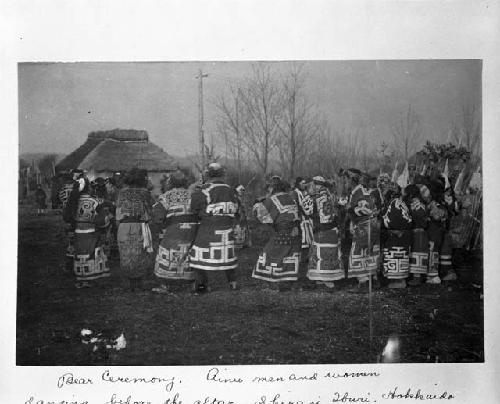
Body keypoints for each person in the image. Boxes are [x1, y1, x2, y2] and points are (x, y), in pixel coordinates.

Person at [189, 163, 238, 292]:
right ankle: (233, 283)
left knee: (196, 256)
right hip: (227, 230)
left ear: (206, 175)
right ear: (222, 174)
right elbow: (236, 209)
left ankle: (202, 285)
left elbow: (194, 208)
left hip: (208, 230)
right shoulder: (231, 190)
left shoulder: (203, 191)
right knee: (227, 256)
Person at [152, 171, 199, 293]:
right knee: (189, 252)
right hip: (193, 229)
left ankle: (165, 284)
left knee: (167, 251)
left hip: (174, 228)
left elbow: (158, 216)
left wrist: (163, 227)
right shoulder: (193, 195)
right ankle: (192, 283)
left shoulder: (166, 196)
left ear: (170, 183)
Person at [252, 177, 301, 289]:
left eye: (269, 188)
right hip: (295, 231)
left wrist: (257, 204)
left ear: (273, 188)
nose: (268, 190)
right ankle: (288, 280)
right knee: (288, 256)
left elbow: (262, 217)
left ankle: (274, 282)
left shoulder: (271, 200)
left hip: (281, 233)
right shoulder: (290, 197)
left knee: (268, 255)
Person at [115, 168, 155, 291]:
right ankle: (139, 282)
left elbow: (118, 211)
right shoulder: (145, 193)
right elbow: (150, 211)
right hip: (140, 225)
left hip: (124, 226)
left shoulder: (122, 192)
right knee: (140, 253)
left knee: (126, 253)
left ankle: (129, 282)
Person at [66, 177, 110, 288]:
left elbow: (66, 217)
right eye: (90, 186)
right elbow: (103, 220)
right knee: (90, 254)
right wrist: (102, 226)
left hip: (77, 232)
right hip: (91, 233)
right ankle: (89, 279)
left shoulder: (73, 201)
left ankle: (80, 278)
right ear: (88, 188)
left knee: (80, 254)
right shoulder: (93, 202)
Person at [306, 176, 344, 289]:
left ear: (316, 185)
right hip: (333, 230)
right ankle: (324, 280)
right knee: (330, 254)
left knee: (320, 254)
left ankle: (326, 281)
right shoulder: (332, 196)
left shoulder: (315, 198)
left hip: (322, 230)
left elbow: (307, 211)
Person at [346, 169, 380, 291]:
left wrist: (350, 212)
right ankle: (374, 280)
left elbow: (362, 210)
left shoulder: (357, 192)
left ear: (351, 180)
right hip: (374, 225)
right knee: (370, 253)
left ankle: (363, 283)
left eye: (346, 179)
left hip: (365, 225)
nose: (346, 182)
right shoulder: (365, 191)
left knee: (357, 253)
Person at [382, 184, 412, 288]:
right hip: (402, 234)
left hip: (397, 234)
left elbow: (394, 220)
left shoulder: (394, 203)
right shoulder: (401, 202)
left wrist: (394, 230)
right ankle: (399, 280)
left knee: (396, 255)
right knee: (399, 256)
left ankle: (399, 281)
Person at [425, 179, 448, 285]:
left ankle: (434, 275)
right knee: (434, 251)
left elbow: (437, 216)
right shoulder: (441, 203)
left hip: (434, 231)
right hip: (437, 231)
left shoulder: (436, 205)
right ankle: (432, 275)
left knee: (433, 251)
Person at [406, 184, 430, 286]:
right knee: (416, 253)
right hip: (418, 231)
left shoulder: (416, 204)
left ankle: (417, 278)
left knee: (417, 253)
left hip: (418, 231)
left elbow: (422, 220)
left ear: (410, 194)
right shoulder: (418, 203)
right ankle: (417, 277)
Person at [292, 177, 314, 257]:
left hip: (307, 220)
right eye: (302, 183)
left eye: (305, 183)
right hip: (300, 221)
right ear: (298, 184)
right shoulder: (295, 193)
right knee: (302, 244)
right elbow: (296, 207)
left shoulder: (304, 192)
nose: (304, 185)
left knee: (309, 243)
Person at [234, 185, 250, 249]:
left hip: (242, 216)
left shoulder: (240, 198)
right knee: (238, 229)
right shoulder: (235, 198)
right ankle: (238, 244)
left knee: (243, 229)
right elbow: (236, 208)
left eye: (242, 191)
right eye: (240, 190)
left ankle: (244, 243)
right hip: (237, 216)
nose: (242, 192)